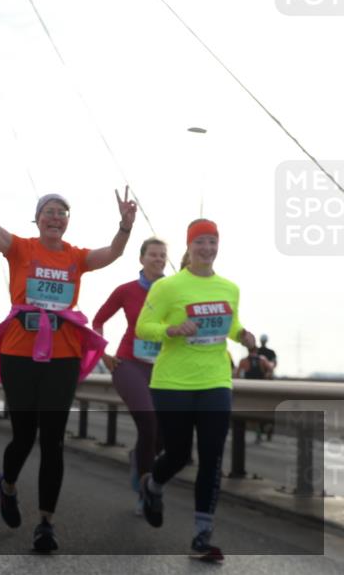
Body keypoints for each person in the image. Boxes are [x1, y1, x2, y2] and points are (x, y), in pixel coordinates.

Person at [0, 150, 133, 553]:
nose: (55, 218)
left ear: (67, 222)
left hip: (63, 354)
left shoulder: (75, 257)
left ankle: (46, 524)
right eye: (49, 212)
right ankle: (9, 484)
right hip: (19, 353)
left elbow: (114, 253)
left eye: (62, 213)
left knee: (52, 439)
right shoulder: (19, 248)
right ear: (37, 220)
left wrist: (123, 228)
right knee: (24, 434)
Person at [136, 219, 255, 562]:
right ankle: (152, 486)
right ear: (189, 247)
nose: (207, 248)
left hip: (215, 379)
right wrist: (171, 329)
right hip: (173, 382)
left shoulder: (229, 288)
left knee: (212, 458)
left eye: (212, 242)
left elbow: (229, 324)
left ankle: (202, 537)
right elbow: (144, 327)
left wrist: (243, 335)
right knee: (178, 455)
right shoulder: (168, 287)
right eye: (200, 242)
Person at [92, 237, 168, 514]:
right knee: (148, 421)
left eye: (163, 255)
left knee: (161, 434)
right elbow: (98, 320)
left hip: (163, 367)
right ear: (142, 258)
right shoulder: (126, 290)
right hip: (128, 364)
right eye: (153, 255)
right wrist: (103, 353)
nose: (159, 259)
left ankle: (139, 458)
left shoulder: (174, 291)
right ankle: (146, 493)